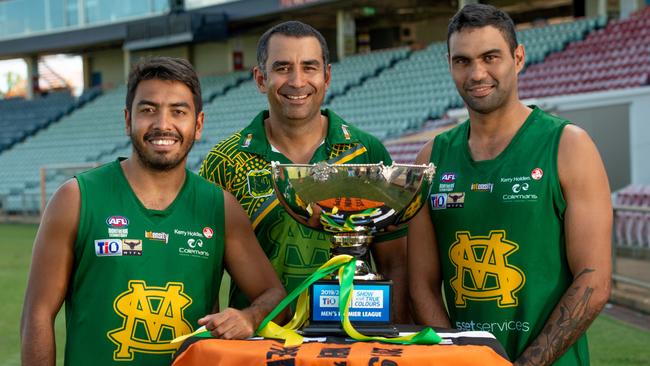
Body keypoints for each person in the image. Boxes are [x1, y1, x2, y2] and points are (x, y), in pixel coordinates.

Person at [21, 57, 286, 366]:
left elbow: (274, 295)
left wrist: (250, 316)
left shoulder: (220, 208)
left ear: (198, 124)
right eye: (148, 110)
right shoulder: (76, 198)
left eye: (178, 111)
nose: (163, 124)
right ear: (127, 120)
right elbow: (37, 314)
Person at [408, 4, 612, 366]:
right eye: (463, 61)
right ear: (450, 64)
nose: (477, 73)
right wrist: (459, 358)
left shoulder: (568, 146)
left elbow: (593, 281)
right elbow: (421, 284)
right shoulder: (431, 158)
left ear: (518, 58)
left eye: (490, 57)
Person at [200, 21, 410, 322]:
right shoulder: (224, 161)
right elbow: (207, 275)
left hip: (353, 341)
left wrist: (396, 342)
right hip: (261, 345)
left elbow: (396, 264)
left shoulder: (367, 153)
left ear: (327, 76)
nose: (297, 81)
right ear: (261, 79)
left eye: (309, 67)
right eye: (282, 67)